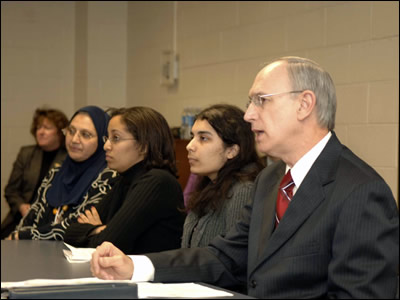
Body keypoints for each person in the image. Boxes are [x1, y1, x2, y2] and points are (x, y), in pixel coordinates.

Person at [90, 57, 399, 298]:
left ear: (304, 104)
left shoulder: (361, 192)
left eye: (261, 100)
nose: (249, 114)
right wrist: (137, 266)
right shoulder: (270, 178)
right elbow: (226, 258)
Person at [64, 107, 185, 254]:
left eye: (115, 138)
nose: (106, 146)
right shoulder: (123, 180)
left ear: (144, 146)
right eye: (107, 138)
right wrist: (100, 229)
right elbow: (70, 232)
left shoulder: (157, 182)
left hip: (152, 276)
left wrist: (100, 231)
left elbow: (107, 244)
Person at [8, 106, 118, 240]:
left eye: (85, 134)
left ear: (102, 139)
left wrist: (23, 236)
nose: (74, 140)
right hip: (34, 253)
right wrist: (17, 236)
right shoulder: (55, 173)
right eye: (71, 131)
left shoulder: (108, 177)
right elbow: (30, 218)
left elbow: (77, 227)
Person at [181, 104, 264, 249]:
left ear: (231, 151)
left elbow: (234, 260)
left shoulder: (243, 191)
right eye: (192, 136)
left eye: (203, 138)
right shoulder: (210, 183)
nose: (190, 146)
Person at [1, 107, 69, 239]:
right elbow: (11, 190)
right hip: (19, 218)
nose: (41, 132)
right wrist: (21, 206)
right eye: (38, 128)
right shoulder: (26, 153)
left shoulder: (68, 157)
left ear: (59, 133)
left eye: (47, 128)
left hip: (49, 221)